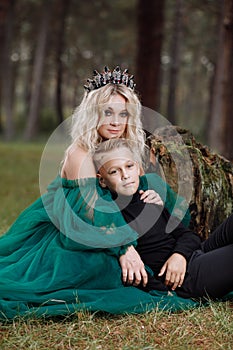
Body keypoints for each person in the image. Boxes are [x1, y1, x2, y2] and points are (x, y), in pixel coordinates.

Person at [0, 66, 196, 320]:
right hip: (80, 231)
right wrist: (124, 248)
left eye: (123, 113)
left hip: (121, 228)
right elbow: (93, 210)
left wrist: (155, 198)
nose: (116, 122)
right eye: (107, 113)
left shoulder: (132, 146)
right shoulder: (80, 154)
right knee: (102, 270)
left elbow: (141, 189)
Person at [93, 138, 233, 300]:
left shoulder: (147, 198)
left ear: (138, 168)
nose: (125, 175)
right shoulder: (112, 214)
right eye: (114, 171)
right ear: (102, 180)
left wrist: (179, 255)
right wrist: (161, 289)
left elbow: (188, 235)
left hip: (192, 255)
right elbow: (133, 270)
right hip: (186, 279)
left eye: (129, 166)